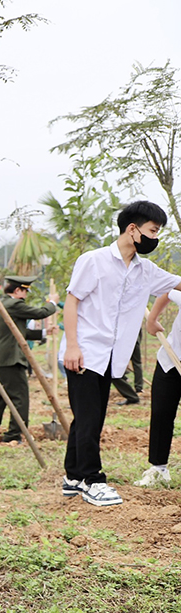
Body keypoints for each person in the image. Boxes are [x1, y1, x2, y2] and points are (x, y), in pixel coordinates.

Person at [63, 200, 180, 506]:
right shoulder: (94, 261)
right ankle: (93, 480)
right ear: (133, 230)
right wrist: (73, 346)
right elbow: (72, 302)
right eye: (153, 231)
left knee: (88, 416)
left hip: (110, 357)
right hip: (85, 351)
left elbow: (176, 284)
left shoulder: (145, 270)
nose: (155, 238)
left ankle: (73, 477)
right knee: (89, 418)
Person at [0, 276, 56, 443]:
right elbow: (41, 313)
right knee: (19, 397)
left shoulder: (3, 304)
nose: (26, 295)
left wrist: (45, 332)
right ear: (17, 290)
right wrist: (53, 303)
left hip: (0, 358)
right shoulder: (14, 304)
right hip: (11, 359)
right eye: (25, 291)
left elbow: (21, 331)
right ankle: (13, 434)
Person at [136, 289, 181, 487]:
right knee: (161, 412)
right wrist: (152, 319)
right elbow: (166, 292)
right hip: (170, 359)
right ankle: (158, 467)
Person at [111, 324, 145, 405]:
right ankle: (138, 387)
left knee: (113, 370)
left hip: (126, 339)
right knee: (136, 363)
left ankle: (134, 393)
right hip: (132, 338)